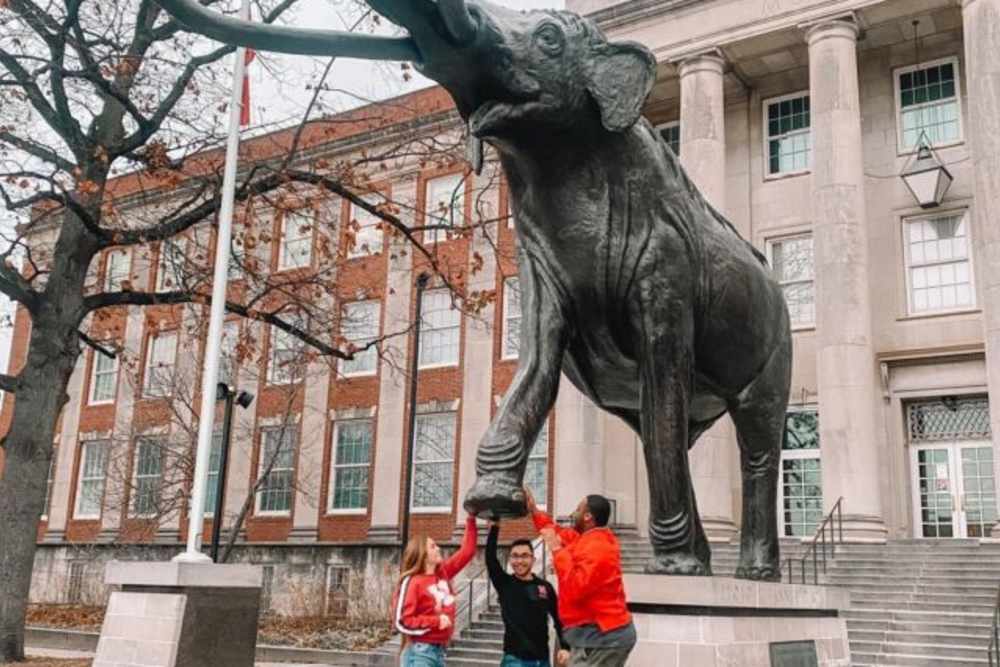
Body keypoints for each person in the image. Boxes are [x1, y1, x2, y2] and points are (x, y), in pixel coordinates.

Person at [526, 489, 636, 667]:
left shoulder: (599, 548)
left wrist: (555, 549)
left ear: (587, 516)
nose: (573, 513)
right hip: (594, 636)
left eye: (577, 509)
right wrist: (534, 510)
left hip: (605, 639)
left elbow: (576, 588)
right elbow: (555, 531)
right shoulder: (584, 539)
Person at [392, 514, 479, 667]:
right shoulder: (412, 581)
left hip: (439, 651)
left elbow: (467, 552)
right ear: (422, 554)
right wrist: (435, 621)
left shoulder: (442, 574)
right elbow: (402, 621)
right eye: (433, 546)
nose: (438, 548)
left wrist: (471, 518)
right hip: (420, 653)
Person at [486, 520, 571, 667]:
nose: (519, 561)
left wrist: (565, 647)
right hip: (514, 660)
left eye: (525, 555)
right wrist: (495, 527)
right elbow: (491, 559)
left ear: (533, 559)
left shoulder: (545, 587)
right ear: (510, 559)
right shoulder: (504, 584)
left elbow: (559, 619)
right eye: (515, 556)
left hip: (542, 661)